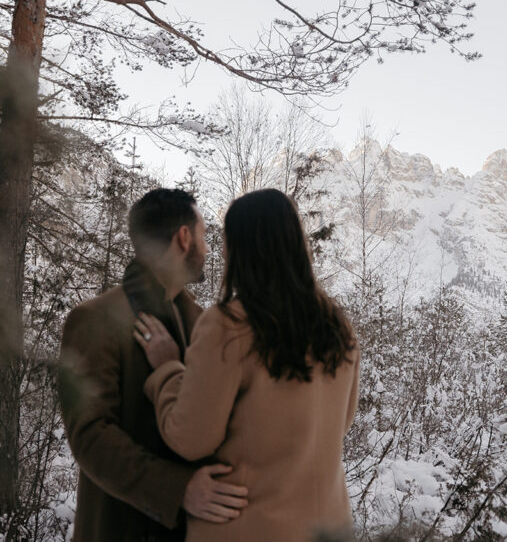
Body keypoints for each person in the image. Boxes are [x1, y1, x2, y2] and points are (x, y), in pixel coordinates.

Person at [134, 188, 360, 542]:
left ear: (239, 249)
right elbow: (340, 422)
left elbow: (190, 438)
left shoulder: (229, 327)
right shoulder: (336, 324)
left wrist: (166, 370)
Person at [58, 188, 249, 542]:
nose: (208, 249)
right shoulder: (93, 320)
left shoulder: (203, 323)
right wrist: (179, 490)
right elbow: (90, 436)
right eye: (204, 236)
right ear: (184, 237)